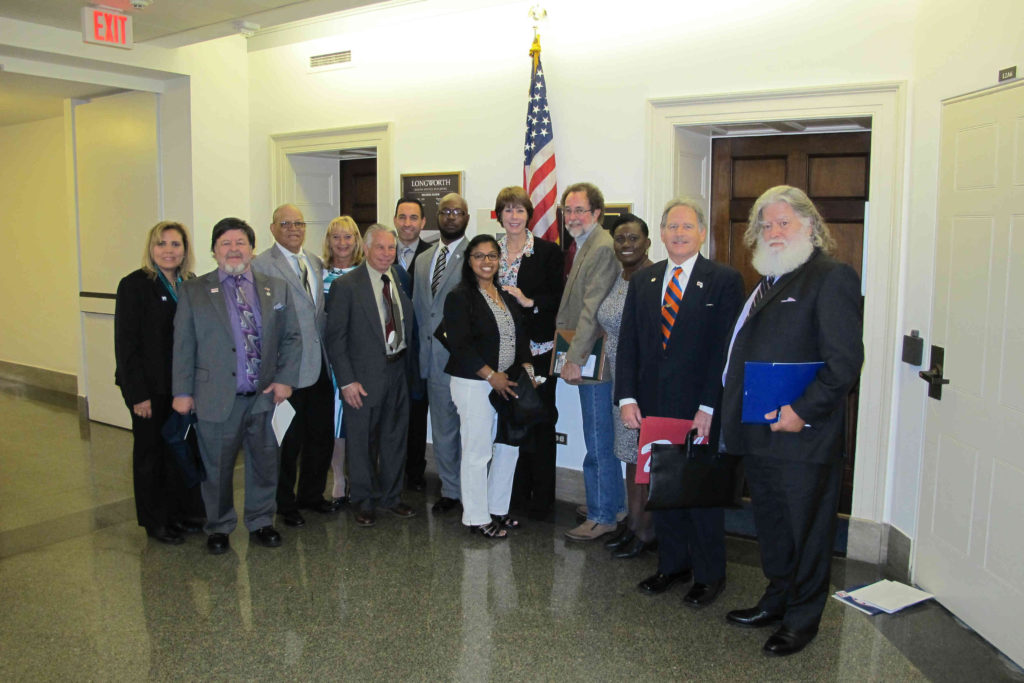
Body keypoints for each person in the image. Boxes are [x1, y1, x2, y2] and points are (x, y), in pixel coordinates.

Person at [720, 185, 863, 656]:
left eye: (784, 222)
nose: (774, 231)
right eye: (766, 224)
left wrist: (802, 412)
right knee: (774, 526)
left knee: (807, 531)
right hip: (761, 433)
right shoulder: (769, 279)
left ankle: (803, 618)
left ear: (810, 226)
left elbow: (843, 364)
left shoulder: (830, 277)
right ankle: (777, 598)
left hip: (803, 438)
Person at [617, 199, 745, 606]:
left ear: (702, 233)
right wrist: (627, 397)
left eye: (687, 226)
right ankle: (672, 566)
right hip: (653, 407)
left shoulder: (724, 280)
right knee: (665, 490)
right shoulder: (645, 281)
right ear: (662, 232)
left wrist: (709, 406)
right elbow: (629, 345)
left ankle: (709, 575)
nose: (678, 233)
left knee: (700, 495)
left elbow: (726, 352)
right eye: (672, 226)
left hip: (700, 410)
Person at [172, 217, 301, 555]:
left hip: (264, 397)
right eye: (225, 243)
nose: (233, 249)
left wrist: (285, 379)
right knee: (216, 467)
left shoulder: (276, 287)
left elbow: (291, 337)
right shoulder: (194, 291)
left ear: (252, 249)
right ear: (214, 251)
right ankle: (219, 527)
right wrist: (182, 393)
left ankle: (261, 521)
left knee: (265, 462)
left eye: (240, 242)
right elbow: (183, 345)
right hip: (214, 397)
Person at [114, 221, 205, 545]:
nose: (168, 250)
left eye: (175, 244)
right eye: (161, 244)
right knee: (151, 455)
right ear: (151, 249)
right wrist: (137, 394)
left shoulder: (191, 284)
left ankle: (180, 513)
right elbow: (126, 345)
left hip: (183, 388)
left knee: (179, 452)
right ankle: (155, 521)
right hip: (150, 390)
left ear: (185, 250)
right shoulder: (135, 285)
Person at [253, 204, 338, 530]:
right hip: (287, 371)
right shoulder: (261, 264)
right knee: (287, 441)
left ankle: (312, 496)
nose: (293, 228)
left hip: (319, 368)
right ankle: (284, 503)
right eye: (285, 223)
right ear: (273, 228)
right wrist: (274, 374)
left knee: (320, 436)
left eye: (299, 223)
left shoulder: (314, 263)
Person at [444, 234, 535, 538]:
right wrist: (489, 375)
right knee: (477, 451)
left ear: (499, 261)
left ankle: (497, 509)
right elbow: (459, 344)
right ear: (469, 261)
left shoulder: (506, 296)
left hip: (508, 382)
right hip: (474, 383)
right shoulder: (459, 297)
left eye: (492, 256)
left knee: (508, 448)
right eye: (479, 256)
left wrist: (527, 370)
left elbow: (520, 338)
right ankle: (476, 517)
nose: (486, 262)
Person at [325, 225, 417, 528]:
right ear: (366, 249)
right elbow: (335, 339)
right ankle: (362, 500)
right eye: (380, 247)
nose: (386, 254)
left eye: (391, 248)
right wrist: (347, 382)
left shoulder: (398, 279)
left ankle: (391, 497)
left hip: (397, 370)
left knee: (394, 437)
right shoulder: (347, 286)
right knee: (361, 442)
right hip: (361, 378)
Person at [555, 182, 622, 541]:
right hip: (593, 355)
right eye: (568, 210)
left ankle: (601, 515)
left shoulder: (601, 248)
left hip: (595, 360)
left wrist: (573, 358)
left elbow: (591, 309)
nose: (573, 217)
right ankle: (612, 502)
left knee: (597, 440)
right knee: (601, 437)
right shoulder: (584, 244)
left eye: (580, 210)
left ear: (597, 213)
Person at [493, 186, 564, 522]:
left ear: (529, 215)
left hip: (537, 352)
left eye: (520, 210)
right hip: (499, 354)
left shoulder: (548, 252)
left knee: (540, 418)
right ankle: (512, 493)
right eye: (507, 210)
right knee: (508, 422)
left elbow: (558, 299)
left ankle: (542, 498)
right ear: (499, 215)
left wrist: (528, 302)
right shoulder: (488, 250)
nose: (514, 217)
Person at [596, 213, 655, 558]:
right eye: (620, 239)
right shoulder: (621, 277)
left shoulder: (653, 277)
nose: (627, 245)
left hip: (643, 382)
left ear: (648, 242)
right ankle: (633, 523)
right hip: (620, 379)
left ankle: (646, 531)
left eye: (634, 238)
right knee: (630, 457)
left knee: (641, 458)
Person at [412, 193, 471, 513]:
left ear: (466, 218)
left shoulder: (476, 256)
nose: (451, 217)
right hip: (433, 362)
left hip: (465, 363)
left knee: (471, 430)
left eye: (458, 212)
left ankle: (472, 489)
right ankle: (450, 490)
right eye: (446, 211)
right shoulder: (423, 259)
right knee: (443, 429)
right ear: (437, 216)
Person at [321, 215, 365, 507]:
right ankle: (338, 479)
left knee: (357, 420)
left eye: (348, 236)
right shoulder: (316, 273)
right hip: (325, 360)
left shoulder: (366, 273)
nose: (342, 243)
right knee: (334, 423)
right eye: (336, 237)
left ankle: (359, 477)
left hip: (358, 359)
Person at [393, 198, 432, 493]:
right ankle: (390, 470)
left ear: (423, 223)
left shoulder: (433, 256)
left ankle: (415, 473)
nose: (408, 223)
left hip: (421, 348)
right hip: (389, 351)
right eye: (402, 217)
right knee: (390, 413)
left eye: (413, 218)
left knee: (418, 412)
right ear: (395, 220)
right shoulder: (381, 252)